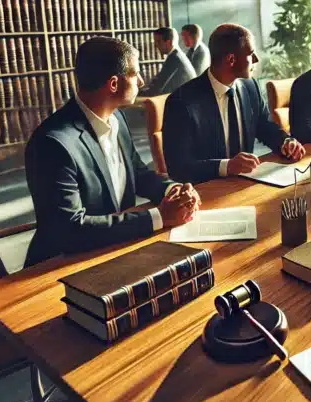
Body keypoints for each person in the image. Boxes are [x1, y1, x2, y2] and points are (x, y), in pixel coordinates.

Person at [24, 37, 201, 267]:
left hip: (117, 248)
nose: (141, 80)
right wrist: (158, 217)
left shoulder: (116, 116)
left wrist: (172, 190)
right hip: (62, 266)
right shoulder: (52, 144)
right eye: (135, 73)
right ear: (114, 84)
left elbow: (138, 173)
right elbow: (69, 230)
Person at [162, 23, 306, 184]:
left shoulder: (251, 87)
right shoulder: (181, 102)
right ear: (231, 59)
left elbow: (266, 126)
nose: (256, 59)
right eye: (251, 54)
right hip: (207, 193)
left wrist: (286, 142)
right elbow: (178, 168)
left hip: (247, 185)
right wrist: (227, 166)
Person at [141, 27, 197, 96]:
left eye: (158, 41)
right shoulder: (176, 55)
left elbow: (158, 87)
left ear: (169, 42)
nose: (156, 45)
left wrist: (138, 93)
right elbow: (159, 80)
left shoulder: (174, 58)